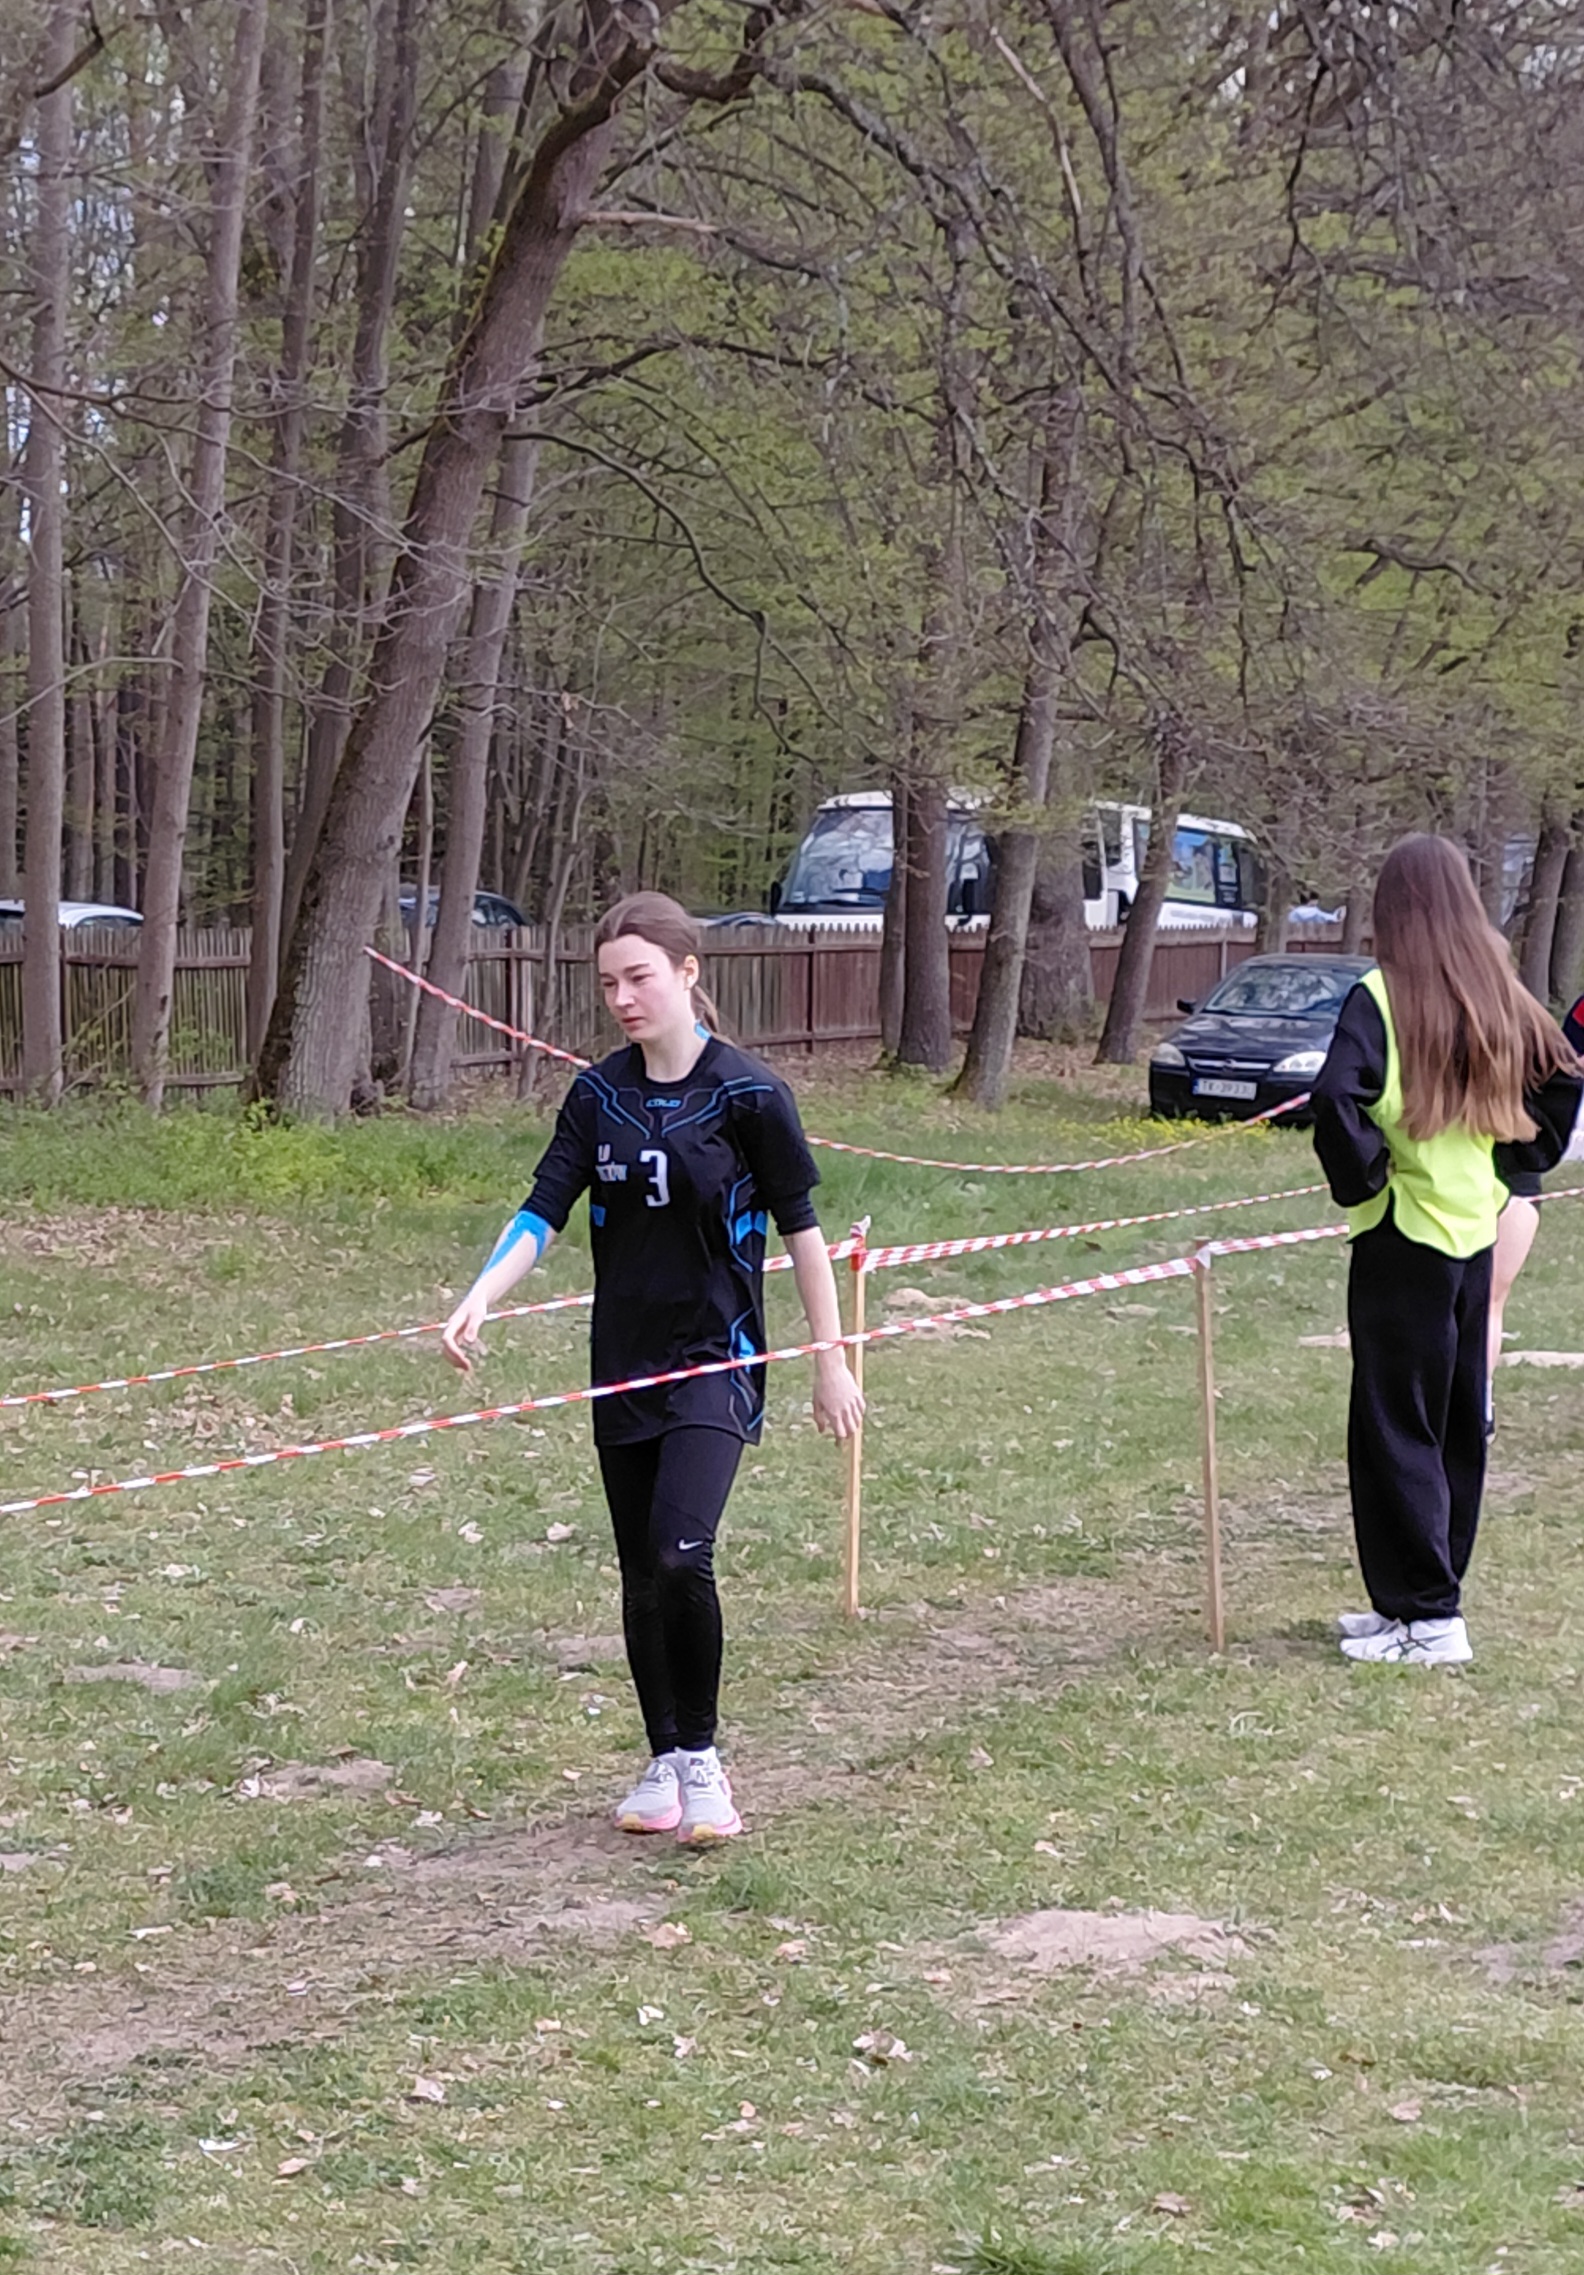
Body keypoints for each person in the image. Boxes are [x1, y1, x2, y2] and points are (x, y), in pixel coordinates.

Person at [440, 892, 865, 1842]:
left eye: (638, 977)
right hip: (623, 1361)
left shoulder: (749, 1094)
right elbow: (543, 1209)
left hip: (719, 1356)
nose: (623, 999)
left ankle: (704, 1758)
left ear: (686, 972)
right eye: (608, 984)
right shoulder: (597, 1096)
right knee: (639, 1570)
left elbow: (803, 1232)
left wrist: (829, 1361)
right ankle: (663, 1759)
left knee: (681, 1552)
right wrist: (481, 1293)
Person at [1312, 835, 1580, 1666]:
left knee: (1395, 1426)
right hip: (1473, 1232)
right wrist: (1517, 1161)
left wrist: (1367, 1175)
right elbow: (1565, 1072)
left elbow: (1335, 1096)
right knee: (1456, 1422)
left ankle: (1429, 1616)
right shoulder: (1495, 988)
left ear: (1392, 907)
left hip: (1404, 1235)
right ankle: (1414, 1604)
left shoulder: (1380, 995)